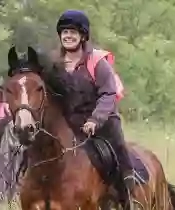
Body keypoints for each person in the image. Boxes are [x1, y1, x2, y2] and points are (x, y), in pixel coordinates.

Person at [44, 9, 134, 209]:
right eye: (64, 32)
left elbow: (109, 93)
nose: (68, 36)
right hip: (68, 123)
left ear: (83, 36)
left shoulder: (97, 61)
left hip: (102, 121)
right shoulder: (54, 64)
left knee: (119, 150)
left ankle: (128, 195)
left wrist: (95, 119)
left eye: (73, 32)